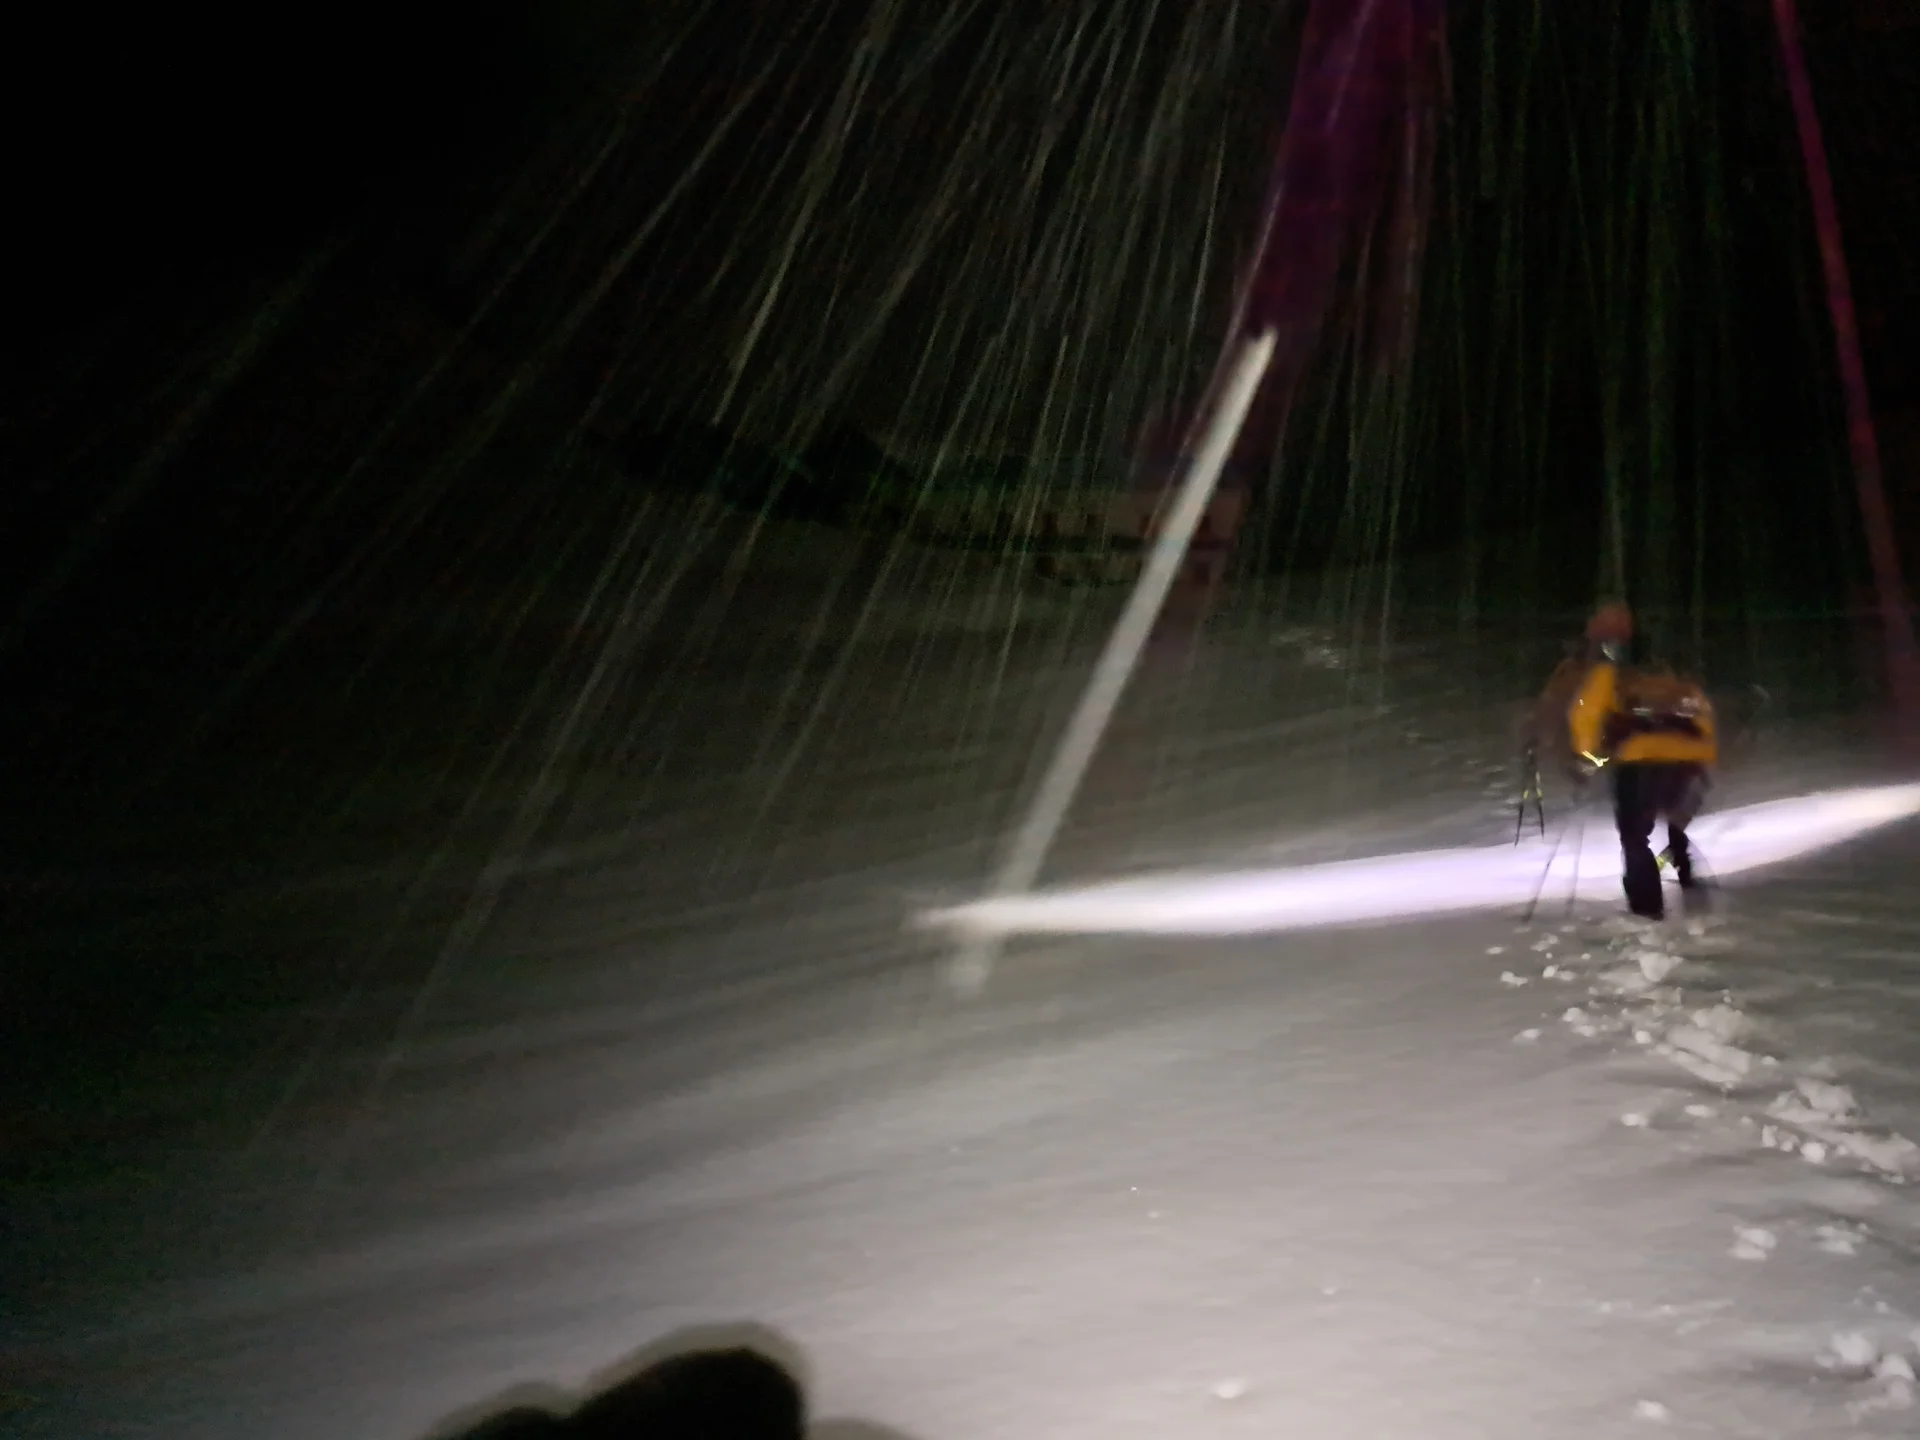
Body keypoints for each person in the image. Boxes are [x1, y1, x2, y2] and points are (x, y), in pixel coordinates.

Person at [1564, 602, 1718, 920]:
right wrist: (1702, 756)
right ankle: (1685, 871)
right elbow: (1703, 717)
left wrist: (1588, 759)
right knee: (1674, 816)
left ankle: (1647, 910)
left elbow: (1585, 717)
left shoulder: (1611, 677)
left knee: (1635, 837)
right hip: (1687, 761)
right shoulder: (1675, 679)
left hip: (1640, 762)